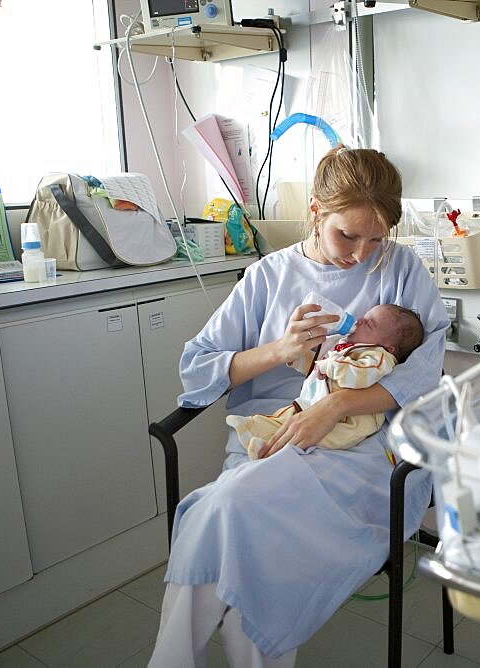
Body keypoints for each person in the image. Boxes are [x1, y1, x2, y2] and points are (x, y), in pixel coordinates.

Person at [148, 146, 448, 668]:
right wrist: (278, 353)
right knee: (237, 521)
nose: (362, 254)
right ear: (315, 210)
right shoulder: (267, 277)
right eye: (347, 235)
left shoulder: (400, 270)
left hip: (366, 455)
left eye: (377, 238)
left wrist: (337, 407)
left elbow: (426, 372)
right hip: (268, 440)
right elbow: (197, 367)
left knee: (221, 513)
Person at [227, 303, 425, 460]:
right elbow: (317, 365)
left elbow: (359, 377)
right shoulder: (345, 346)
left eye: (370, 323)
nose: (361, 320)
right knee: (285, 420)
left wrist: (330, 366)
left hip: (349, 421)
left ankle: (273, 450)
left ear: (389, 347)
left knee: (318, 438)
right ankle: (255, 431)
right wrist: (296, 358)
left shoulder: (378, 357)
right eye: (365, 316)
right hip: (312, 405)